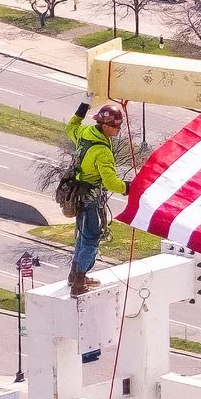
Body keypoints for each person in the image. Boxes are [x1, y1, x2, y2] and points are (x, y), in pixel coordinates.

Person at [60, 101, 128, 296]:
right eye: (115, 126)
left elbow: (71, 126)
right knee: (91, 238)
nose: (118, 129)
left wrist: (82, 107)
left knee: (82, 235)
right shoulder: (102, 152)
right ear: (104, 126)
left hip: (78, 194)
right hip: (90, 198)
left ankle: (74, 275)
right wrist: (129, 187)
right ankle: (79, 282)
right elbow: (111, 183)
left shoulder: (85, 134)